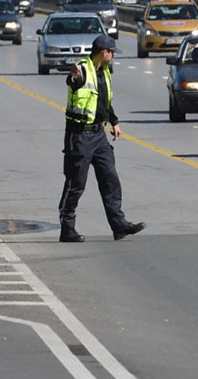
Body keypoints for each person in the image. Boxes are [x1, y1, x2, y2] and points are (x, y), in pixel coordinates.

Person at [58, 34, 145, 242]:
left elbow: (104, 101)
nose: (113, 55)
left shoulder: (104, 71)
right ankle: (67, 228)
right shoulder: (83, 69)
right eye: (112, 51)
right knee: (76, 183)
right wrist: (73, 77)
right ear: (103, 52)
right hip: (79, 135)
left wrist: (114, 121)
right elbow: (72, 81)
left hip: (99, 135)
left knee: (110, 178)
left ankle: (119, 225)